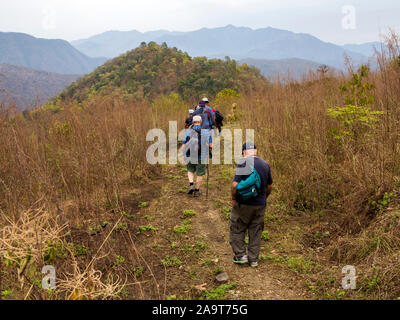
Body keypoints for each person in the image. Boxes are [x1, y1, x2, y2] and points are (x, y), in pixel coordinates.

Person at [230, 142, 273, 268]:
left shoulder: (243, 162)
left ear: (244, 152)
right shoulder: (265, 164)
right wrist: (264, 198)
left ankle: (240, 255)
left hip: (244, 204)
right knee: (256, 231)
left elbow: (234, 186)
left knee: (237, 227)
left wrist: (234, 198)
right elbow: (269, 186)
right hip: (260, 204)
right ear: (256, 151)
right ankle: (253, 259)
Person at [182, 116, 213, 197]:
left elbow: (184, 145)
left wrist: (184, 155)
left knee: (190, 170)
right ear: (201, 122)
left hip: (190, 155)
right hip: (201, 156)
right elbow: (211, 145)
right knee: (200, 174)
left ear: (193, 122)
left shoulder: (188, 131)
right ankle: (196, 191)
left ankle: (191, 184)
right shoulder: (206, 132)